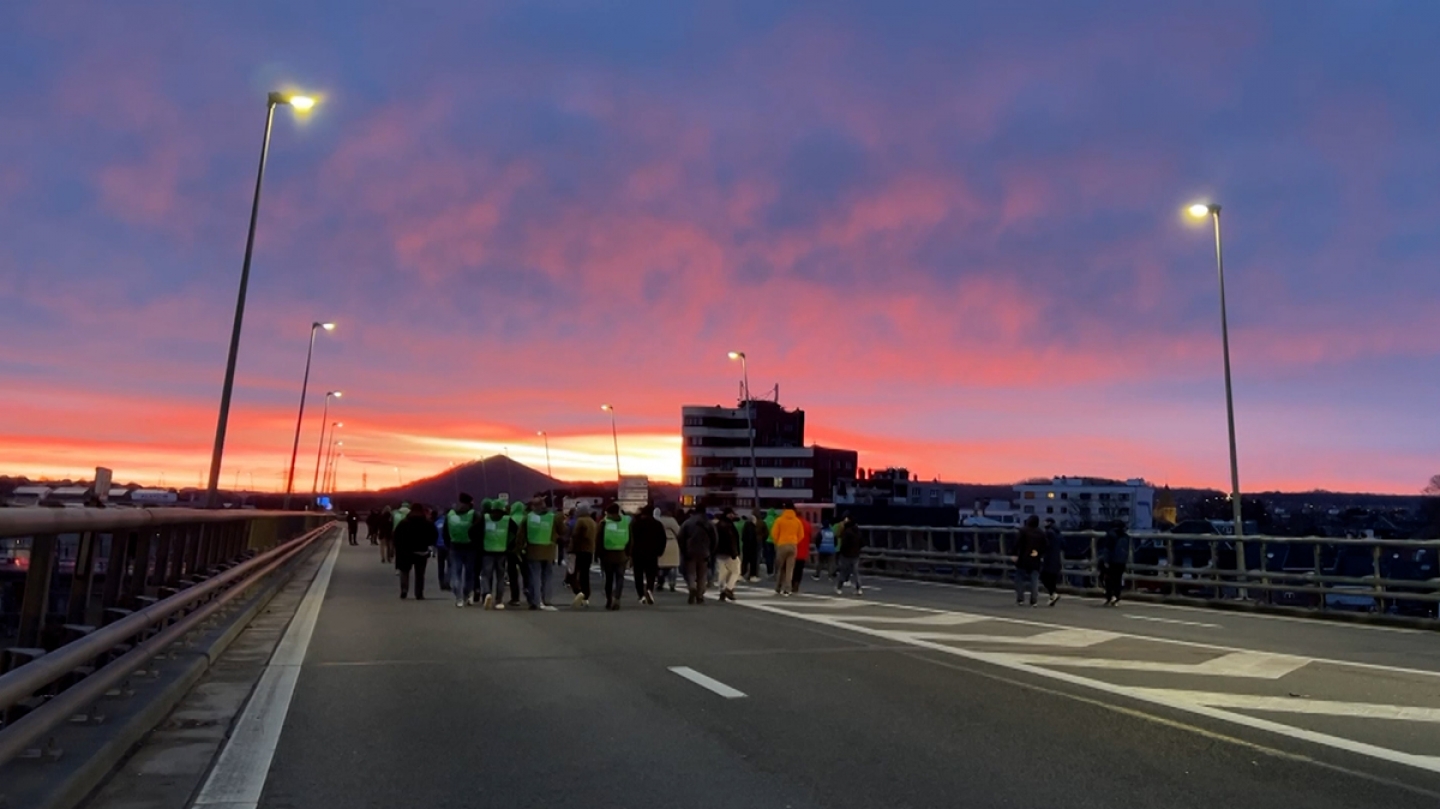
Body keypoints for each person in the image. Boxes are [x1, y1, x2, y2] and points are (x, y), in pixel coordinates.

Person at [523, 496, 559, 610]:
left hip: (533, 551)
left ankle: (536, 600)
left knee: (535, 576)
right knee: (547, 575)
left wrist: (518, 549)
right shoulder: (553, 517)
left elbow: (521, 535)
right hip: (549, 550)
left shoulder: (528, 517)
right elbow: (563, 530)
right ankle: (547, 599)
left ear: (534, 506)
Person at [393, 503, 436, 599]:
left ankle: (404, 589)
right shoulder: (427, 523)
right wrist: (428, 544)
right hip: (421, 551)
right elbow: (434, 535)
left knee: (404, 571)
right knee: (420, 574)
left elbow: (396, 537)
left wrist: (398, 548)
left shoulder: (404, 523)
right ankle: (419, 593)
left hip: (405, 551)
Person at [444, 494, 478, 607]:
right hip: (470, 547)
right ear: (470, 503)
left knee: (456, 572)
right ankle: (467, 594)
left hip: (454, 546)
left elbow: (445, 531)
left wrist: (448, 545)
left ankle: (458, 598)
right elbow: (478, 530)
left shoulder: (450, 514)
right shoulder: (473, 514)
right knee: (469, 573)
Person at [630, 505, 666, 605]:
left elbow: (631, 538)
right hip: (652, 553)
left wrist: (630, 552)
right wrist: (660, 551)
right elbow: (662, 539)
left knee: (638, 574)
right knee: (651, 573)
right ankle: (649, 589)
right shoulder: (657, 524)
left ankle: (641, 595)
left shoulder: (636, 523)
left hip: (638, 552)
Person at [678, 508, 716, 604]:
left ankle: (692, 587)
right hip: (705, 551)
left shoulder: (687, 523)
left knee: (691, 572)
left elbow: (681, 537)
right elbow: (715, 538)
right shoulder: (709, 523)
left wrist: (683, 550)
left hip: (690, 551)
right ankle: (700, 595)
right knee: (702, 574)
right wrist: (711, 550)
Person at [598, 503, 631, 610]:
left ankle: (609, 599)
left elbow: (598, 540)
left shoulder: (604, 523)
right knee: (620, 578)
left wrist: (598, 554)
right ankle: (617, 597)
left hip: (607, 555)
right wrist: (628, 553)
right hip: (622, 555)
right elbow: (630, 539)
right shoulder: (625, 523)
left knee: (609, 579)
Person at [479, 500, 511, 610]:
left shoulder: (485, 518)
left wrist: (480, 543)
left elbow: (473, 530)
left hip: (487, 550)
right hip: (502, 550)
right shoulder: (507, 520)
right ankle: (499, 600)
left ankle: (487, 593)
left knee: (485, 575)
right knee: (500, 577)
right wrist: (509, 544)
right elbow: (516, 531)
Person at [569, 506, 598, 608]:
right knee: (585, 574)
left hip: (579, 550)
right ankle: (586, 595)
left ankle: (578, 592)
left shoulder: (580, 521)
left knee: (572, 573)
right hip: (589, 550)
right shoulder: (592, 522)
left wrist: (571, 547)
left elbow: (575, 535)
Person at [770, 505, 802, 596]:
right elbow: (801, 535)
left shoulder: (779, 520)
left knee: (780, 567)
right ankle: (788, 589)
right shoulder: (797, 521)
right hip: (793, 545)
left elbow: (774, 533)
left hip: (782, 544)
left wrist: (777, 542)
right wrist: (794, 541)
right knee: (789, 569)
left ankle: (778, 587)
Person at [1013, 515, 1045, 607]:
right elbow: (1045, 545)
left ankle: (1020, 599)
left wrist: (1014, 553)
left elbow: (1017, 543)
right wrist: (1039, 553)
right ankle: (1034, 600)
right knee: (1034, 579)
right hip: (1035, 558)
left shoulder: (1023, 531)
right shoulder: (1041, 532)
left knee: (1019, 578)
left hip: (1024, 558)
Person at [505, 501, 532, 607]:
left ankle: (515, 598)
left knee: (512, 574)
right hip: (524, 549)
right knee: (526, 573)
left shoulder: (509, 519)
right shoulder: (527, 518)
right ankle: (529, 594)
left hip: (511, 549)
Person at [1099, 521, 1130, 606]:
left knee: (1108, 579)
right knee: (1118, 579)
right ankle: (1116, 596)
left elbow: (1107, 549)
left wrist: (1105, 561)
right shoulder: (1126, 536)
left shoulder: (1111, 535)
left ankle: (1109, 597)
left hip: (1112, 561)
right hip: (1122, 562)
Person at [714, 509, 742, 602]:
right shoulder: (728, 526)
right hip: (729, 552)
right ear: (728, 514)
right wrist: (734, 553)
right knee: (736, 571)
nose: (733, 516)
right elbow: (731, 540)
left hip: (719, 552)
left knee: (723, 572)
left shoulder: (718, 525)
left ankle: (722, 591)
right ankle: (729, 589)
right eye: (732, 514)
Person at [835, 513, 864, 595]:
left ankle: (839, 587)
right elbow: (862, 543)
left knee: (843, 571)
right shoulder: (858, 532)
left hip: (846, 554)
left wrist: (840, 551)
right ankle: (859, 588)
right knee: (855, 572)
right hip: (856, 554)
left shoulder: (847, 532)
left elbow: (844, 543)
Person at [657, 507, 682, 592]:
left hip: (660, 543)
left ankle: (660, 582)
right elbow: (679, 532)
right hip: (672, 543)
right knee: (673, 566)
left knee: (660, 566)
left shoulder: (658, 521)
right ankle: (672, 583)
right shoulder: (672, 521)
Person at [1041, 517, 1064, 607]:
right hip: (1057, 559)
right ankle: (1052, 596)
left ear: (1049, 523)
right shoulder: (1059, 533)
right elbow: (1064, 545)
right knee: (1053, 579)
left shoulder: (1048, 533)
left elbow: (1044, 545)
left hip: (1048, 558)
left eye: (1045, 522)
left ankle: (1053, 594)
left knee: (1043, 577)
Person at [791, 512, 812, 593]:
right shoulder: (807, 525)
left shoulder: (794, 523)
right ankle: (796, 585)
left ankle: (791, 584)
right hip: (803, 551)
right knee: (799, 570)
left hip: (794, 549)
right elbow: (810, 537)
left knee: (792, 569)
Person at [740, 513, 762, 582]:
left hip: (745, 547)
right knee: (753, 562)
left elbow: (743, 537)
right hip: (752, 547)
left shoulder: (745, 526)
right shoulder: (752, 527)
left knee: (745, 561)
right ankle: (752, 576)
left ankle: (742, 574)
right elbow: (752, 538)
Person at [433, 508, 450, 592]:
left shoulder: (437, 522)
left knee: (441, 566)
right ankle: (447, 581)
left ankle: (441, 582)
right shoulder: (450, 522)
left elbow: (433, 534)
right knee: (450, 565)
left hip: (439, 546)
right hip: (448, 546)